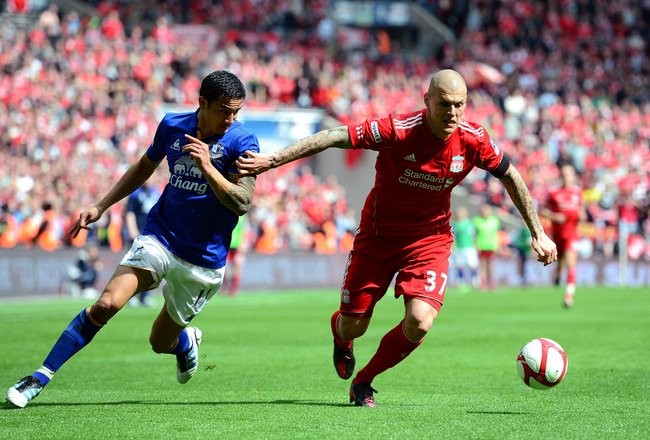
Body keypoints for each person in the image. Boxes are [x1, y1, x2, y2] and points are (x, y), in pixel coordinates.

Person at [236, 69, 557, 407]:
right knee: (353, 327)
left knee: (420, 321)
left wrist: (538, 232)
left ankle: (364, 381)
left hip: (429, 239)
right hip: (378, 236)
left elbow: (510, 175)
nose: (452, 113)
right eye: (445, 104)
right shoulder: (398, 131)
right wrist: (272, 160)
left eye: (459, 105)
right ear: (427, 100)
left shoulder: (473, 139)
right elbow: (333, 136)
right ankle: (341, 337)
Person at [6, 70, 260, 408]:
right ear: (202, 103)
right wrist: (101, 205)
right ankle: (39, 377)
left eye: (236, 112)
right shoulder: (172, 125)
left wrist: (209, 168)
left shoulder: (243, 143)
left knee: (159, 342)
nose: (231, 119)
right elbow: (143, 166)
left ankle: (183, 342)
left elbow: (242, 203)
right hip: (161, 237)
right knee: (107, 303)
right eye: (224, 110)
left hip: (204, 260)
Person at [540, 163, 585, 308]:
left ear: (573, 176)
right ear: (561, 176)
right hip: (557, 233)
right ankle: (558, 276)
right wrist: (555, 216)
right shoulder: (554, 193)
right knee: (560, 262)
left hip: (572, 232)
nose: (566, 177)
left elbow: (582, 211)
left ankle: (568, 297)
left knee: (571, 263)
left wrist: (582, 216)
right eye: (564, 174)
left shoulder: (578, 193)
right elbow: (542, 210)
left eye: (569, 174)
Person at [124, 180, 162, 307]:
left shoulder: (155, 192)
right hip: (138, 232)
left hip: (151, 233)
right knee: (135, 265)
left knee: (151, 266)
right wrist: (132, 229)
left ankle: (145, 297)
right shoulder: (135, 193)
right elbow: (130, 212)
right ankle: (131, 296)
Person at [473, 204, 501, 292]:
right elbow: (475, 234)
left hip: (492, 245)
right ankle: (483, 283)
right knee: (482, 265)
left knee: (491, 265)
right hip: (481, 245)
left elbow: (497, 234)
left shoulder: (494, 221)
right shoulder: (477, 221)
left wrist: (498, 245)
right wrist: (476, 244)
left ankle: (492, 283)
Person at [450, 206, 478, 291]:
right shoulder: (455, 224)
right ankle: (461, 282)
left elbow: (474, 235)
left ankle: (474, 280)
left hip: (469, 247)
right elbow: (453, 237)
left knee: (472, 264)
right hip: (459, 247)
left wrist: (475, 245)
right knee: (460, 265)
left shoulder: (470, 223)